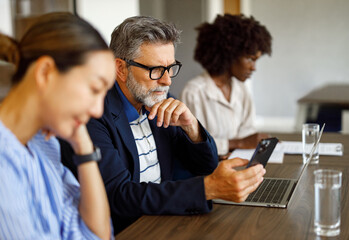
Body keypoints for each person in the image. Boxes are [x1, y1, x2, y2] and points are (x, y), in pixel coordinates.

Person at [61, 16, 266, 234]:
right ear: (120, 69)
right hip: (129, 231)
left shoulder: (159, 102)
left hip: (164, 221)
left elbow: (207, 166)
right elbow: (118, 196)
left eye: (170, 68)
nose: (167, 80)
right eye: (156, 69)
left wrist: (192, 127)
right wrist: (206, 188)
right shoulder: (94, 115)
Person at [0, 12, 116, 239]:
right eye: (94, 89)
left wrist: (84, 149)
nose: (98, 111)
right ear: (45, 72)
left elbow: (98, 234)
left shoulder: (45, 146)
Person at [181, 14, 272, 157]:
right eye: (249, 59)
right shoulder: (194, 91)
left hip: (237, 161)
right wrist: (238, 143)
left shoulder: (241, 88)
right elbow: (194, 143)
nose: (253, 67)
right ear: (230, 53)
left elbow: (247, 131)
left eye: (256, 61)